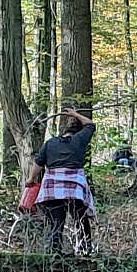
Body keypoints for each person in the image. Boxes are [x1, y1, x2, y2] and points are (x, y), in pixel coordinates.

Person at [29, 108, 97, 255]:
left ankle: (55, 254)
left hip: (52, 189)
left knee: (56, 222)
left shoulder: (50, 143)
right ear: (79, 131)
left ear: (64, 130)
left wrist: (31, 179)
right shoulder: (80, 139)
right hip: (75, 189)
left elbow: (38, 164)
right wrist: (76, 114)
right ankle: (85, 251)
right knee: (81, 219)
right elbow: (90, 125)